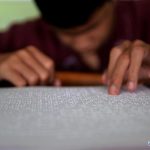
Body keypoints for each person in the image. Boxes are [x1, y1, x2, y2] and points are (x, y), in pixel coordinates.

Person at [0, 0, 149, 95]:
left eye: (92, 28)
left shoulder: (144, 13)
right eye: (65, 34)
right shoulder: (24, 36)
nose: (81, 44)